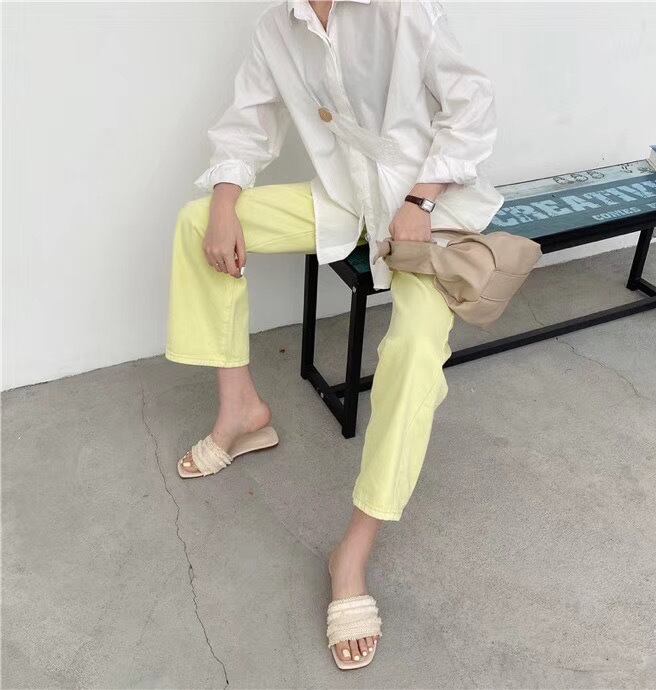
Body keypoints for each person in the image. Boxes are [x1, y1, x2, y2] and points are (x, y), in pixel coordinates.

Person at [166, 0, 503, 670]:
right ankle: (242, 411)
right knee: (197, 222)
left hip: (427, 216)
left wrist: (421, 198)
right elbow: (247, 126)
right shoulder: (277, 28)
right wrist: (226, 205)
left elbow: (473, 107)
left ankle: (353, 550)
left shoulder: (404, 10)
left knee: (414, 352)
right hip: (347, 203)